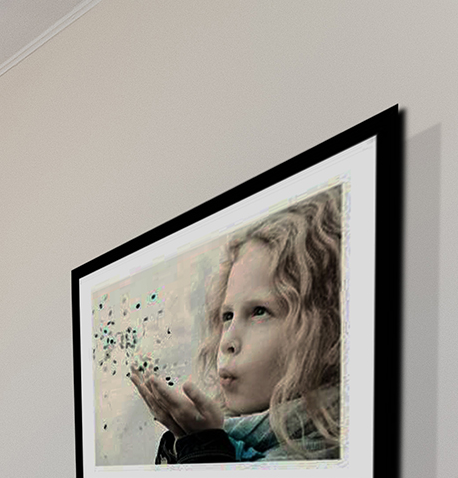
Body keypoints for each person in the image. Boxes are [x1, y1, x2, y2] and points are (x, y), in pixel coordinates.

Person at [129, 187, 344, 463]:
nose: (227, 342)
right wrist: (191, 440)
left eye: (259, 312)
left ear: (324, 330)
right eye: (227, 316)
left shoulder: (323, 456)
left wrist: (205, 448)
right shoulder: (230, 432)